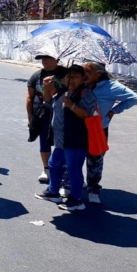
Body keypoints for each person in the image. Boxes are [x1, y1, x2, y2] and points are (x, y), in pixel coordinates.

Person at [35, 65, 97, 211]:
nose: (71, 79)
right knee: (53, 164)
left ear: (83, 79)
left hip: (76, 140)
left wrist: (72, 106)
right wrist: (47, 87)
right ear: (63, 79)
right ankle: (53, 192)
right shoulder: (63, 92)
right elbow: (48, 103)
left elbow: (87, 114)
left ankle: (76, 200)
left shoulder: (86, 94)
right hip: (61, 140)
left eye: (75, 76)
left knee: (73, 169)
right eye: (68, 76)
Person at [81, 62, 137, 203]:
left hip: (97, 129)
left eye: (87, 72)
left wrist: (114, 111)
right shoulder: (82, 84)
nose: (84, 75)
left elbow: (134, 98)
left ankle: (93, 190)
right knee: (74, 156)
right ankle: (72, 184)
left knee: (95, 160)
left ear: (99, 73)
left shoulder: (111, 86)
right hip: (77, 127)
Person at [26, 54, 67, 183]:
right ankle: (47, 169)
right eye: (42, 59)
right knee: (44, 140)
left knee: (64, 141)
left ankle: (67, 170)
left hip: (63, 112)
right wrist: (30, 117)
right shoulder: (36, 76)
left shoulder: (67, 73)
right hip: (42, 112)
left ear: (57, 59)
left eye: (48, 58)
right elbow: (29, 97)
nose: (44, 61)